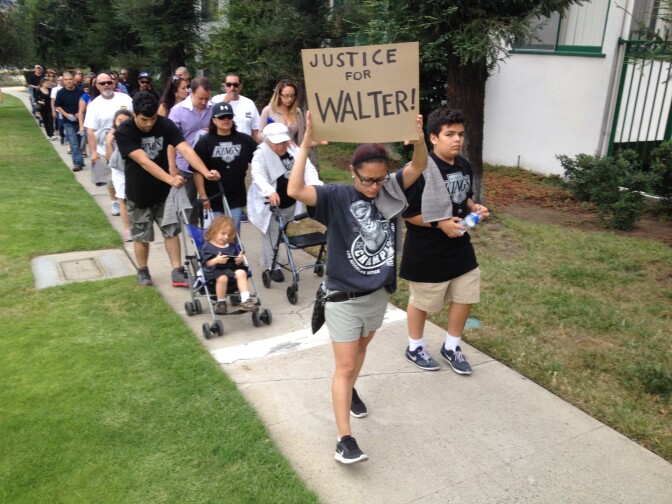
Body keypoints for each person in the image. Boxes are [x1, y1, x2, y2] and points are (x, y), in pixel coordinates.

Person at [287, 111, 428, 464]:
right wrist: (304, 144)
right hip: (343, 296)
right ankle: (344, 440)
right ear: (353, 172)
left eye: (380, 180)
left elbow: (418, 166)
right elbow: (294, 189)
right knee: (346, 365)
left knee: (361, 351)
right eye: (367, 180)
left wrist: (421, 138)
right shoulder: (335, 197)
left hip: (376, 294)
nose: (374, 187)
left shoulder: (389, 191)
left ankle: (348, 392)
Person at [400, 108, 490, 375]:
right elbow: (408, 213)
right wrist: (440, 222)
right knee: (422, 301)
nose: (457, 140)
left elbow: (465, 198)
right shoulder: (419, 170)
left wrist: (476, 208)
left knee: (466, 294)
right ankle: (414, 347)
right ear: (433, 138)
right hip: (427, 251)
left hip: (460, 247)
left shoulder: (463, 164)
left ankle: (451, 347)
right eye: (449, 134)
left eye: (460, 134)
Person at [114, 91, 220, 287]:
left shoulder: (164, 124)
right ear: (134, 114)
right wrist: (171, 179)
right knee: (141, 236)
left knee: (171, 231)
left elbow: (186, 149)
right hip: (139, 193)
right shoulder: (125, 131)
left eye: (152, 118)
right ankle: (143, 270)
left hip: (164, 194)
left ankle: (177, 271)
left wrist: (205, 172)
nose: (149, 124)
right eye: (144, 120)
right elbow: (144, 161)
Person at [248, 122, 322, 283]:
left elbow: (307, 169)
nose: (281, 146)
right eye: (277, 143)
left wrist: (316, 186)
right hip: (269, 204)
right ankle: (274, 267)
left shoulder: (293, 150)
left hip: (289, 202)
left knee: (281, 232)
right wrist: (270, 191)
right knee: (271, 234)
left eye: (283, 142)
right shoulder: (260, 154)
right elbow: (258, 176)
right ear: (269, 141)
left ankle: (269, 257)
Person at [194, 102, 257, 232]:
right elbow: (197, 171)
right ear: (214, 120)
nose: (226, 120)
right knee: (218, 232)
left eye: (229, 117)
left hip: (236, 193)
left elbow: (259, 160)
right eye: (222, 117)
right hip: (213, 194)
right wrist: (203, 195)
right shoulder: (204, 142)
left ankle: (235, 253)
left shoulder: (244, 140)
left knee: (234, 231)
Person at [84, 72, 133, 216]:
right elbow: (90, 131)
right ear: (96, 86)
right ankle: (115, 201)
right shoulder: (94, 105)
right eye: (102, 83)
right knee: (112, 177)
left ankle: (128, 200)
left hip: (127, 145)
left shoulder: (125, 99)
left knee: (129, 174)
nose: (106, 85)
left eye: (109, 82)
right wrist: (93, 152)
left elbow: (135, 117)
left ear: (114, 83)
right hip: (105, 147)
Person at [168, 77, 214, 225]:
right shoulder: (177, 111)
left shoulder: (214, 108)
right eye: (200, 98)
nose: (204, 102)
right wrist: (172, 166)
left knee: (209, 200)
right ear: (191, 92)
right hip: (184, 165)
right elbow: (170, 142)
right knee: (189, 204)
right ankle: (193, 233)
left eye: (207, 98)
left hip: (208, 164)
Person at [202, 216, 258, 315]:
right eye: (223, 233)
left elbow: (235, 262)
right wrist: (216, 260)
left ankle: (246, 300)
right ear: (214, 231)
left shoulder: (230, 246)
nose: (226, 237)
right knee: (222, 278)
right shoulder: (208, 246)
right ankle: (221, 302)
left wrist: (238, 260)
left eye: (229, 234)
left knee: (241, 272)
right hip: (215, 270)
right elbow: (206, 263)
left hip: (230, 268)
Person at [106, 109, 134, 241]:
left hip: (134, 169)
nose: (122, 123)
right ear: (115, 122)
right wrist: (109, 143)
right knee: (123, 200)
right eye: (119, 121)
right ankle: (127, 229)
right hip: (119, 170)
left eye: (126, 121)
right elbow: (109, 159)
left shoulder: (135, 134)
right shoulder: (112, 135)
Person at [211, 73, 260, 141]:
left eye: (235, 85)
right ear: (225, 86)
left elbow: (256, 129)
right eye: (229, 85)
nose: (232, 88)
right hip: (222, 143)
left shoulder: (249, 103)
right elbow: (210, 122)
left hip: (244, 144)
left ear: (240, 86)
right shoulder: (215, 100)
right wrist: (224, 102)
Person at [54, 72, 86, 172]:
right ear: (63, 81)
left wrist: (80, 112)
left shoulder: (80, 91)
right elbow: (58, 105)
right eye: (66, 79)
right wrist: (66, 114)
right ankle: (77, 163)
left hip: (80, 120)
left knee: (81, 142)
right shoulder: (60, 93)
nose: (68, 81)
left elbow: (86, 102)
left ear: (74, 80)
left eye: (70, 79)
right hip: (68, 121)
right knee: (73, 142)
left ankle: (80, 160)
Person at [259, 79, 305, 145]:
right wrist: (274, 137)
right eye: (286, 96)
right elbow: (259, 135)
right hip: (274, 150)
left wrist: (300, 152)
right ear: (279, 95)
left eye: (292, 96)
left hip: (292, 151)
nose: (290, 99)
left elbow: (301, 137)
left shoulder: (297, 112)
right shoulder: (268, 110)